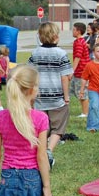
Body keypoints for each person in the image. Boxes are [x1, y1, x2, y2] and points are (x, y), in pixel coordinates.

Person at [0, 64, 52, 196]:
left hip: (8, 177)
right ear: (32, 90)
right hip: (32, 177)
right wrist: (46, 186)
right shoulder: (41, 118)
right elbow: (41, 156)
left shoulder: (0, 118)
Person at [28, 22, 73, 168]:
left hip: (40, 97)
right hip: (57, 98)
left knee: (42, 127)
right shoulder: (61, 54)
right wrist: (66, 96)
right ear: (55, 36)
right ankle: (48, 151)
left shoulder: (35, 53)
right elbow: (65, 77)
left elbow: (30, 73)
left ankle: (39, 152)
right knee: (58, 127)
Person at [70, 22, 90, 118]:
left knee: (82, 92)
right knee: (76, 90)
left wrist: (72, 71)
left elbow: (77, 57)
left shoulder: (78, 42)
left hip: (81, 71)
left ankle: (85, 113)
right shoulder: (82, 41)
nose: (72, 31)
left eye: (74, 30)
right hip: (81, 70)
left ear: (78, 31)